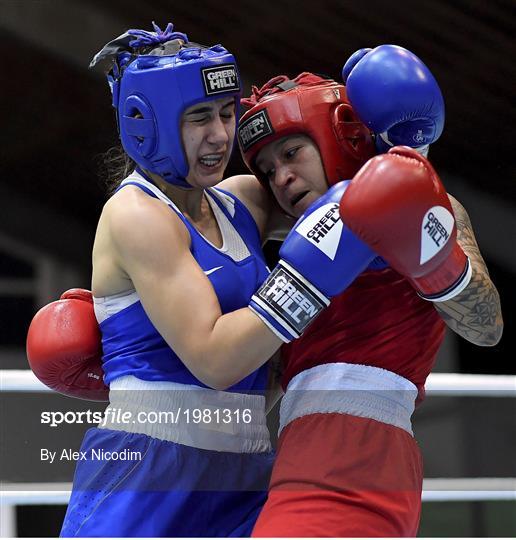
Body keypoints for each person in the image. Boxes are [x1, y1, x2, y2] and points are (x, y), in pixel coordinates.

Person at [26, 23, 379, 537]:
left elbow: (339, 189)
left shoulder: (241, 203)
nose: (219, 135)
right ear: (146, 125)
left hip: (244, 471)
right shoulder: (137, 215)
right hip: (149, 472)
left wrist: (391, 147)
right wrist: (308, 279)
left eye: (225, 112)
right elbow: (214, 359)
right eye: (198, 118)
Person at [236, 46, 503, 537]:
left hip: (359, 454)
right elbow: (265, 389)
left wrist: (435, 263)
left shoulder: (424, 201)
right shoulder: (297, 253)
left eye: (292, 153)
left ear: (337, 136)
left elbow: (487, 327)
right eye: (268, 171)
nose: (281, 178)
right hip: (300, 453)